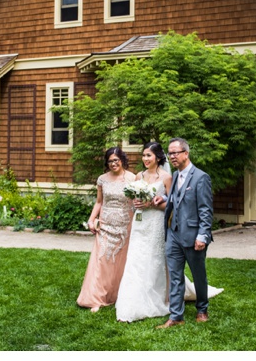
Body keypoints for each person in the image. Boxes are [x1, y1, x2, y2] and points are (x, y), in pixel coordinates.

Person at [156, 137, 214, 328]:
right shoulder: (174, 175)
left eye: (175, 153)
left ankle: (202, 309)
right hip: (173, 234)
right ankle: (176, 316)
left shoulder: (201, 177)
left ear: (186, 154)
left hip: (193, 235)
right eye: (169, 153)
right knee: (175, 275)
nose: (171, 156)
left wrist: (202, 236)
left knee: (198, 275)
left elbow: (206, 210)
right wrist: (162, 197)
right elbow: (174, 198)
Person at [115, 142, 173, 322]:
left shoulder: (166, 177)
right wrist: (137, 203)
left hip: (155, 222)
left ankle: (155, 297)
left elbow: (172, 204)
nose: (145, 159)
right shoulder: (139, 175)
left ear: (158, 157)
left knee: (153, 259)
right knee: (136, 258)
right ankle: (131, 300)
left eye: (149, 155)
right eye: (144, 155)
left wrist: (151, 204)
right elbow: (133, 199)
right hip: (139, 222)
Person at [77, 147, 135, 312]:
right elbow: (99, 202)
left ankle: (117, 295)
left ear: (122, 160)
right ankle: (96, 298)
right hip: (106, 225)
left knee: (121, 262)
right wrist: (91, 219)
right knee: (101, 261)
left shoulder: (133, 178)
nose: (113, 163)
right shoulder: (102, 179)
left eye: (116, 160)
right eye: (110, 161)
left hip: (125, 226)